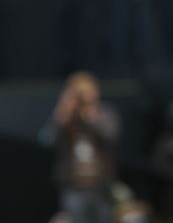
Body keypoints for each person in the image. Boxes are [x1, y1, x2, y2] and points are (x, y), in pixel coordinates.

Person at [45, 71, 121, 223]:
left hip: (101, 185)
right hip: (74, 186)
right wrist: (64, 109)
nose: (84, 97)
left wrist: (91, 115)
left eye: (88, 91)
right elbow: (48, 139)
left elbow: (111, 137)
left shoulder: (104, 113)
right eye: (80, 92)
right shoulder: (67, 117)